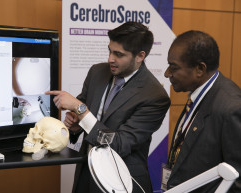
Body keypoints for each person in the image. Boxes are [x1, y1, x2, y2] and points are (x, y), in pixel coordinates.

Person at [46, 21, 170, 193]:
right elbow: (82, 118)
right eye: (110, 50)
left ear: (140, 56)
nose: (110, 58)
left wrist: (80, 109)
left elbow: (118, 144)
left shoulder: (155, 96)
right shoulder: (97, 72)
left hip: (121, 182)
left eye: (118, 54)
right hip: (85, 174)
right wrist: (75, 125)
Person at [164, 30, 241, 192]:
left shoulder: (231, 108)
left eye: (173, 68)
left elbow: (236, 180)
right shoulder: (199, 94)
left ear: (200, 69)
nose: (167, 74)